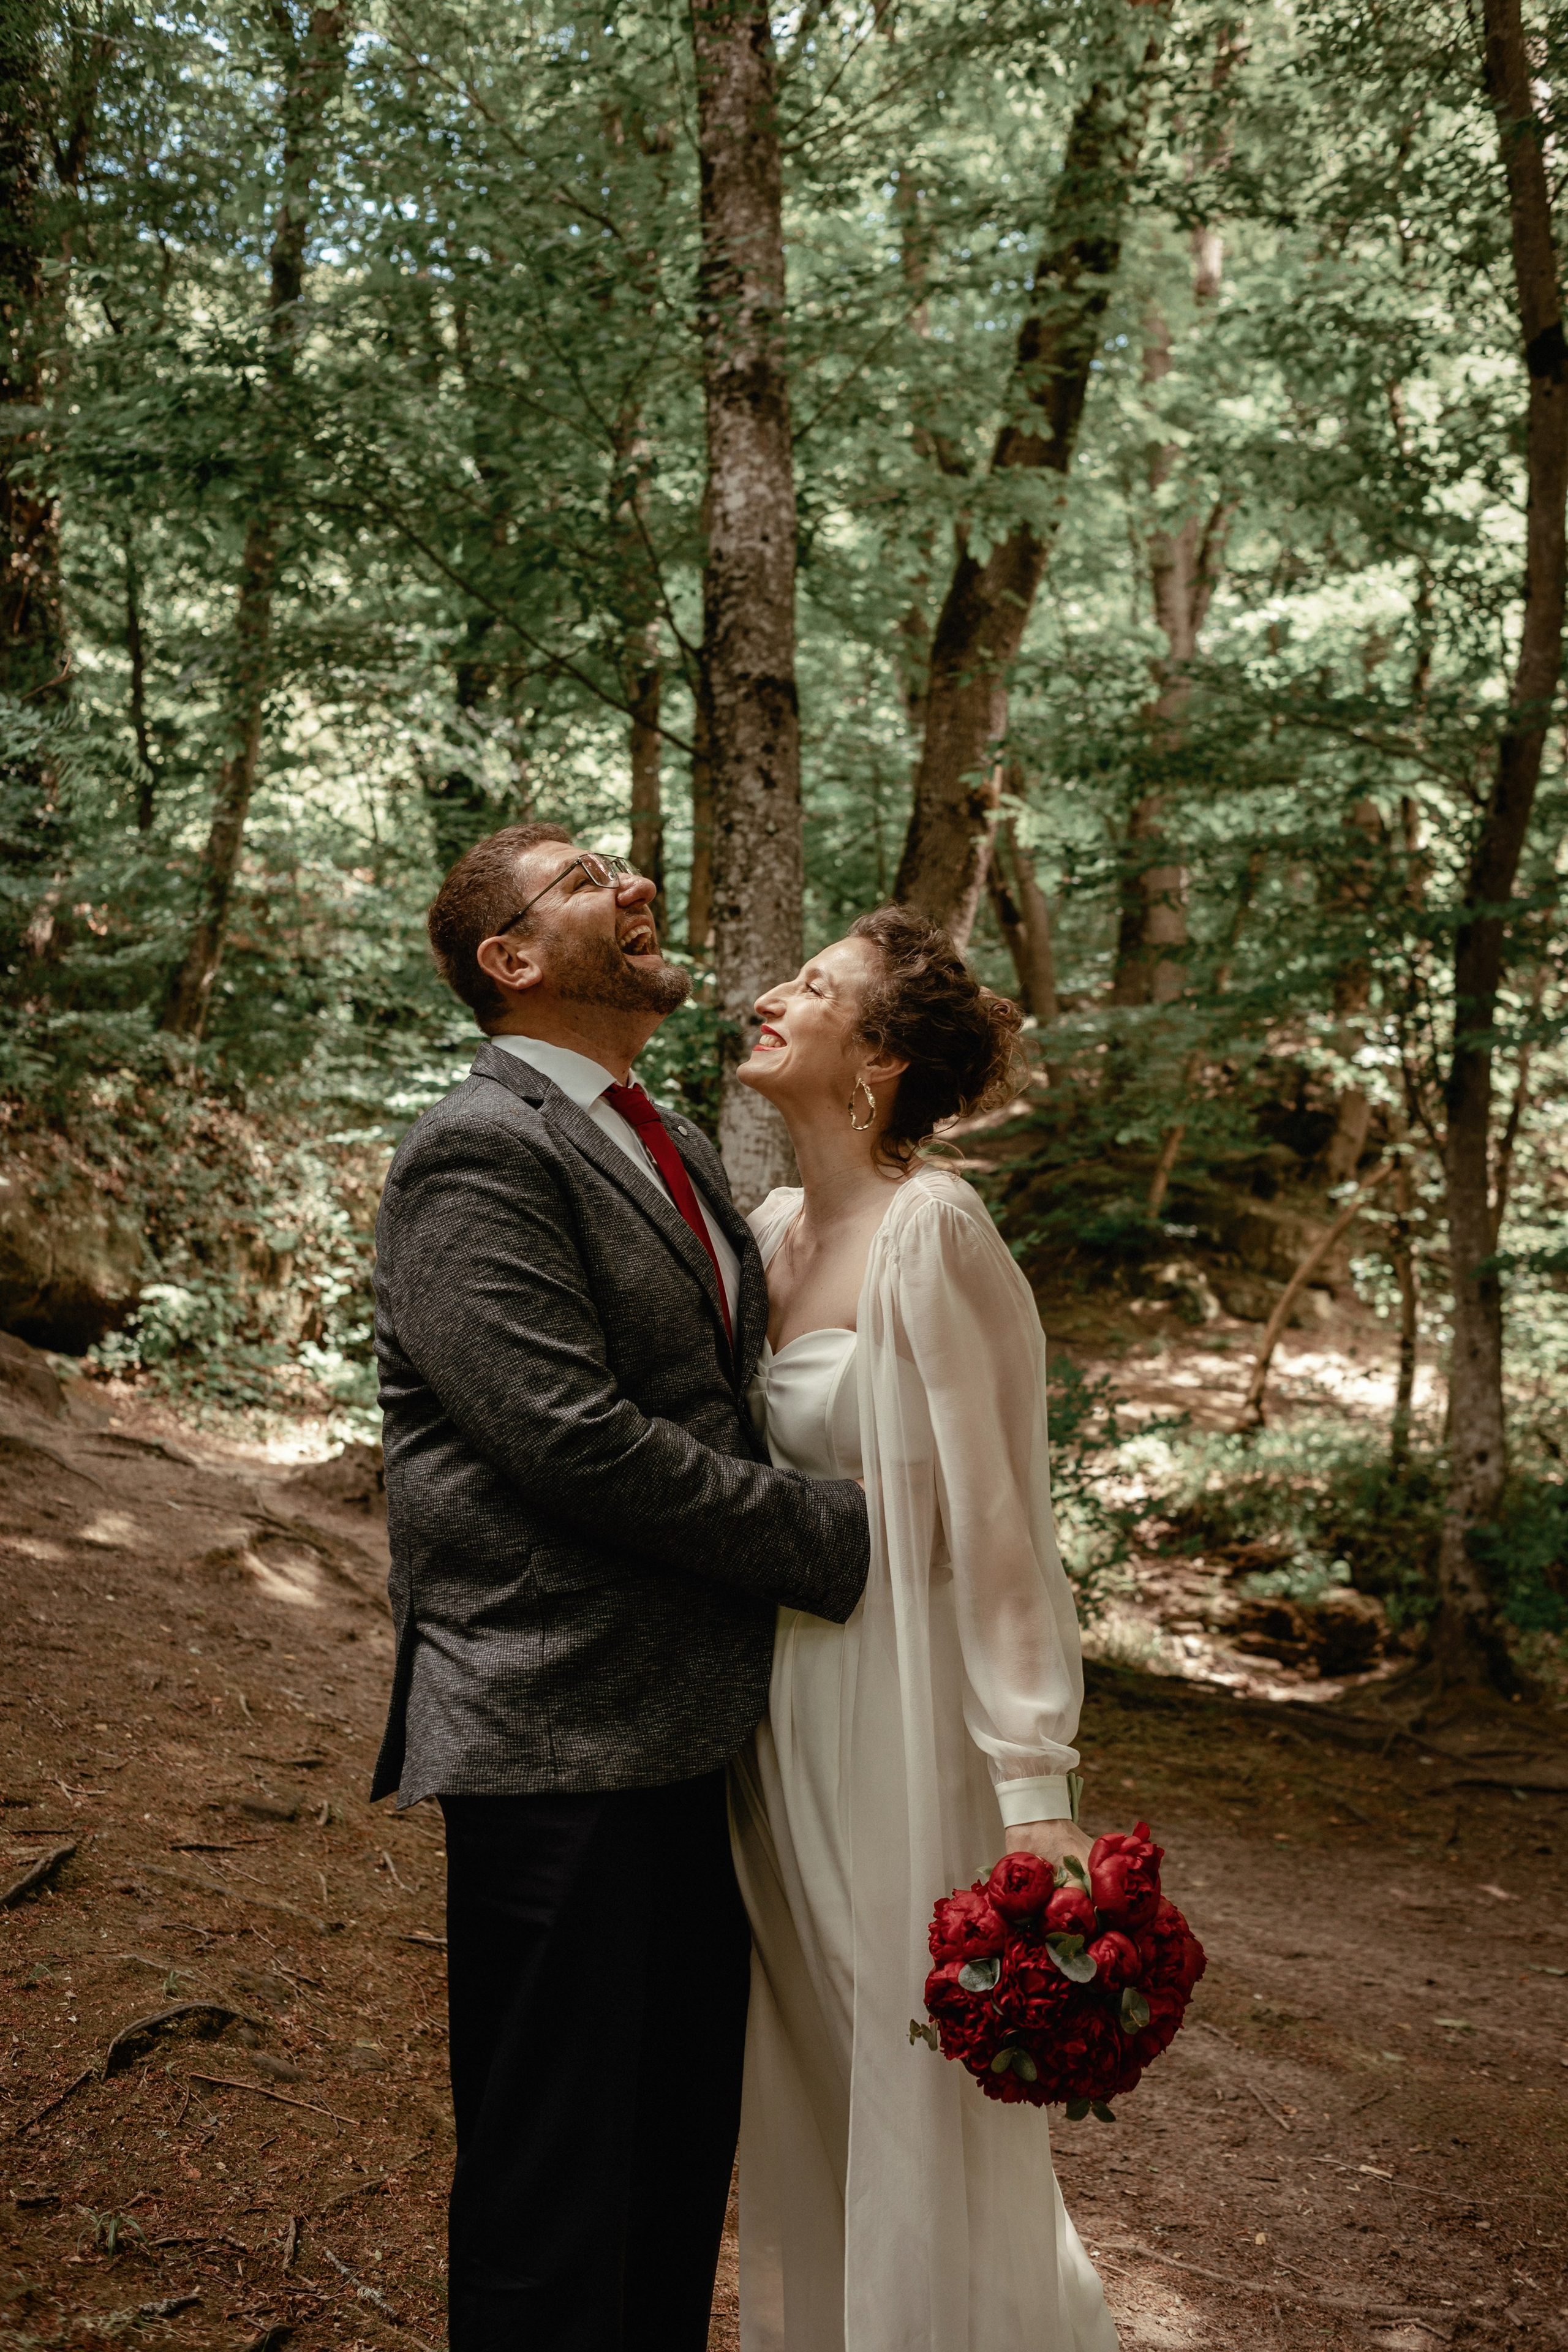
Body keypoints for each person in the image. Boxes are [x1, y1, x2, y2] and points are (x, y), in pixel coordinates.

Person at [369, 821, 870, 2352]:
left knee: (663, 2181)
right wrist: (835, 1538)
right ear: (508, 963)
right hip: (555, 1730)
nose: (634, 882)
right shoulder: (476, 1147)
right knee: (555, 2198)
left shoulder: (672, 1140)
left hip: (693, 1739)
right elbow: (568, 1440)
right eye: (587, 879)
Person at [728, 903, 1119, 2352]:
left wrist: (1037, 1795)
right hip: (767, 1714)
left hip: (894, 1717)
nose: (770, 996)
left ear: (877, 1057)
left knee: (915, 2090)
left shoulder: (933, 1232)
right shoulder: (761, 1232)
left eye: (811, 988)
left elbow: (1000, 1533)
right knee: (822, 2077)